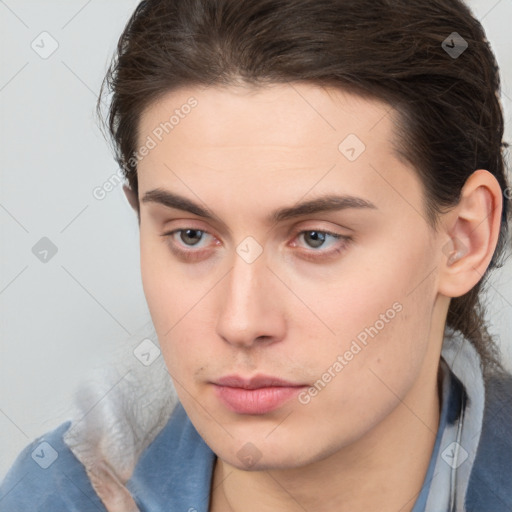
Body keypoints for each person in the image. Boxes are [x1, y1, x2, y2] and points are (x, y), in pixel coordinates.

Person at [1, 0, 511, 510]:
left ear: (463, 239)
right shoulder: (56, 496)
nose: (241, 323)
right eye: (191, 236)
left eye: (316, 238)